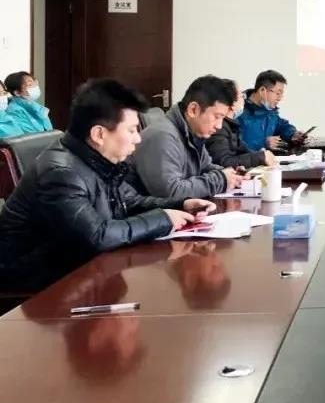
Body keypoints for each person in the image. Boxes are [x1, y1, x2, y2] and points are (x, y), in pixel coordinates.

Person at [0, 79, 215, 293]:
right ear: (99, 134)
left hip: (77, 269)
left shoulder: (94, 157)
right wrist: (163, 219)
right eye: (131, 130)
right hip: (35, 286)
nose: (138, 139)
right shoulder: (61, 172)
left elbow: (129, 201)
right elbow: (96, 237)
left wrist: (181, 204)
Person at [131, 75, 243, 199]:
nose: (219, 126)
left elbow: (205, 167)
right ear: (193, 110)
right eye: (217, 117)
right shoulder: (162, 136)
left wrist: (231, 174)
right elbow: (170, 193)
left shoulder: (193, 132)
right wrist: (221, 180)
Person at [205, 79, 276, 170]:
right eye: (242, 96)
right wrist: (259, 157)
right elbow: (223, 162)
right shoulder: (219, 128)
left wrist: (260, 154)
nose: (244, 100)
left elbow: (243, 150)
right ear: (233, 104)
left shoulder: (231, 125)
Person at [235, 70, 304, 152]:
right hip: (245, 160)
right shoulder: (237, 111)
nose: (280, 98)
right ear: (262, 90)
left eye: (281, 94)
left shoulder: (269, 111)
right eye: (278, 93)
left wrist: (293, 134)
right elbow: (231, 144)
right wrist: (263, 143)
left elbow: (280, 125)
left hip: (264, 159)